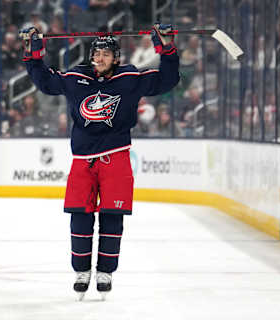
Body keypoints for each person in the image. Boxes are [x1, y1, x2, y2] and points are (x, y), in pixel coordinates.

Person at [21, 23, 179, 300]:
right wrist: (33, 55)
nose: (101, 58)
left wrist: (166, 49)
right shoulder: (75, 77)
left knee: (112, 217)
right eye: (97, 53)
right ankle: (81, 271)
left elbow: (167, 80)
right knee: (79, 217)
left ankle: (105, 272)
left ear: (116, 57)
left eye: (106, 54)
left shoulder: (129, 77)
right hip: (82, 160)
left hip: (116, 157)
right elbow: (45, 82)